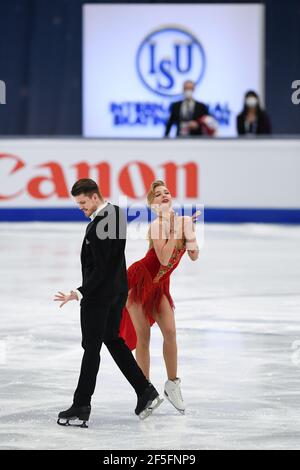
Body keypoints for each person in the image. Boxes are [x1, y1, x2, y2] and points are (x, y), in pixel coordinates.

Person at [54, 178, 163, 427]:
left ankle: (82, 404)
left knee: (91, 348)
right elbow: (111, 262)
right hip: (116, 292)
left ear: (94, 197)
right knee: (112, 339)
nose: (81, 207)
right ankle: (145, 391)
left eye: (83, 202)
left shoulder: (104, 221)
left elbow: (103, 267)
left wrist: (80, 292)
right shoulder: (115, 213)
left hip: (100, 295)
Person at [119, 180, 200, 414]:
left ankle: (172, 385)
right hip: (139, 282)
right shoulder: (156, 226)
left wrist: (190, 235)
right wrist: (178, 230)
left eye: (167, 192)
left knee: (171, 332)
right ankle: (144, 392)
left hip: (160, 285)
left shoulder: (183, 222)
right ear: (153, 205)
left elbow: (193, 255)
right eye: (158, 194)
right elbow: (165, 259)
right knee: (143, 337)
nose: (164, 195)